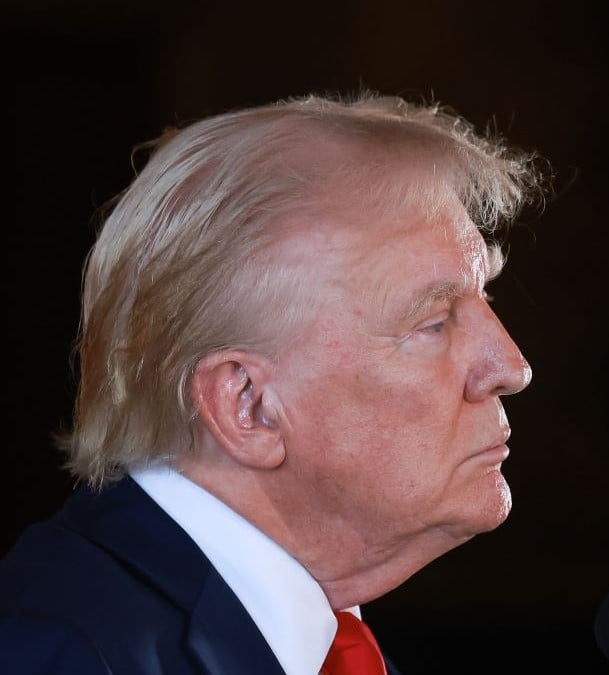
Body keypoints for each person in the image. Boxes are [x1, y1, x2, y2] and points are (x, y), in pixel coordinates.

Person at [0, 91, 544, 674]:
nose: (511, 366)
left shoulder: (317, 643)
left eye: (484, 297)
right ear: (248, 406)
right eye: (432, 324)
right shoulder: (58, 652)